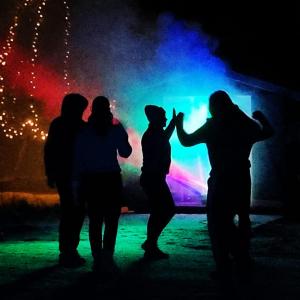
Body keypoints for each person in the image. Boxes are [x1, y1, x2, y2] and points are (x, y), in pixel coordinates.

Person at [175, 90, 274, 279]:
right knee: (242, 219)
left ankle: (224, 263)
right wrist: (261, 117)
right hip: (242, 178)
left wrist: (179, 123)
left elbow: (186, 141)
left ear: (214, 107)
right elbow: (269, 132)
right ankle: (243, 258)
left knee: (217, 223)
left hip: (221, 180)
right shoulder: (245, 124)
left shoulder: (213, 127)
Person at [72, 96, 132, 274]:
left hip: (91, 179)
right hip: (111, 178)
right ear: (108, 110)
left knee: (95, 220)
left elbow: (78, 159)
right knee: (112, 219)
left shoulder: (83, 131)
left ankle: (98, 258)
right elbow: (126, 152)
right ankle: (107, 257)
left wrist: (77, 183)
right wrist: (122, 131)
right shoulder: (114, 129)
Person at [44, 93, 88, 267]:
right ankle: (69, 250)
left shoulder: (58, 124)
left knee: (70, 211)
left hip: (65, 174)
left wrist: (50, 173)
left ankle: (67, 250)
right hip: (75, 174)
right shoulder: (81, 127)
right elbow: (50, 149)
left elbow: (49, 150)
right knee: (75, 212)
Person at [140, 105, 177, 260]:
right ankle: (151, 243)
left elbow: (164, 138)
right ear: (155, 118)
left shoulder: (155, 133)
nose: (165, 118)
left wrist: (173, 123)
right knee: (165, 210)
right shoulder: (153, 135)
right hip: (153, 177)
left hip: (153, 177)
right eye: (163, 116)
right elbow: (163, 140)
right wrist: (174, 123)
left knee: (160, 211)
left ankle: (151, 243)